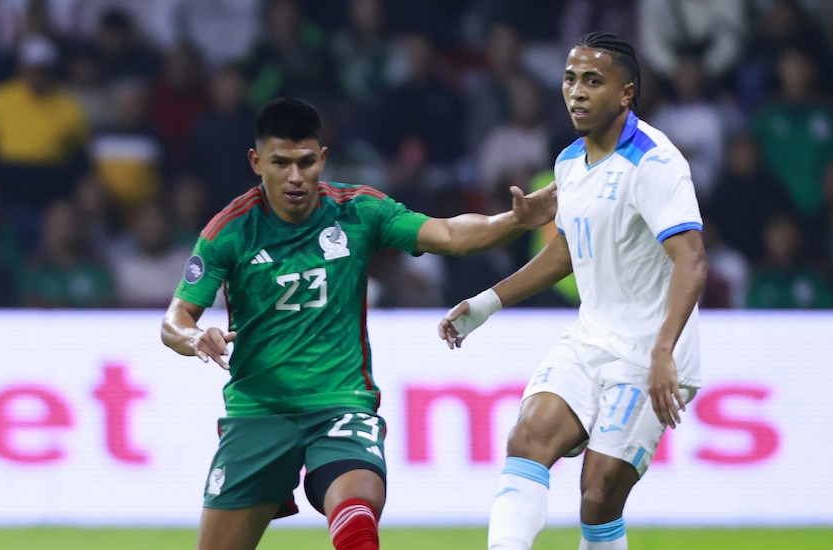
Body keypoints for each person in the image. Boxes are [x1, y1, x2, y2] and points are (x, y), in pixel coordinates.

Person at [160, 97, 557, 550]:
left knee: (358, 526)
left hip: (340, 406)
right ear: (256, 162)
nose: (295, 177)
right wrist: (195, 338)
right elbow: (175, 319)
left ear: (322, 158)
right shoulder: (229, 230)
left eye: (306, 162)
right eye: (281, 163)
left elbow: (448, 234)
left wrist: (514, 221)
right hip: (258, 413)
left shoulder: (358, 211)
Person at [438, 33, 709, 550]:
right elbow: (567, 251)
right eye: (569, 79)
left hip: (650, 353)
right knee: (527, 438)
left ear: (626, 93)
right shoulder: (568, 163)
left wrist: (662, 351)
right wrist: (486, 304)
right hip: (591, 340)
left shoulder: (654, 163)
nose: (576, 92)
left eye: (592, 81)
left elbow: (692, 261)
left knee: (598, 494)